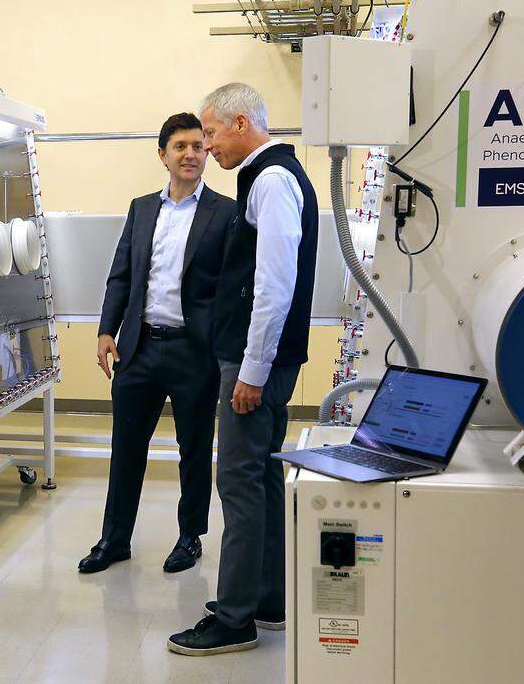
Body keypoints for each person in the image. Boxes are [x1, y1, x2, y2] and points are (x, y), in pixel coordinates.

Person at [167, 83, 318, 655]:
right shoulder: (268, 177)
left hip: (258, 364)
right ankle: (267, 599)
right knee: (260, 477)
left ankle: (233, 620)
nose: (205, 147)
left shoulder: (273, 180)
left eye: (208, 133)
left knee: (237, 481)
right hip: (265, 359)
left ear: (238, 123)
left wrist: (251, 371)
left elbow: (273, 287)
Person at [77, 113, 237, 575]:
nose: (191, 154)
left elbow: (231, 289)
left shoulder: (225, 213)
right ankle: (115, 538)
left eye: (198, 145)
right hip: (140, 349)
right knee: (127, 446)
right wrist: (107, 330)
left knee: (193, 449)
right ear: (163, 154)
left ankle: (190, 537)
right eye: (181, 146)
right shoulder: (142, 208)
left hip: (194, 351)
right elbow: (122, 274)